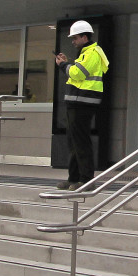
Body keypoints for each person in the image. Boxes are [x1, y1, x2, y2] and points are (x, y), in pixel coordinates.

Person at [54, 20, 109, 190]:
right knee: (74, 142)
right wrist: (67, 64)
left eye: (75, 38)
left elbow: (78, 73)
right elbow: (78, 72)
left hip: (83, 103)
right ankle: (74, 178)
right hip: (77, 103)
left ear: (85, 37)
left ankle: (86, 180)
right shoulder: (86, 52)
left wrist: (63, 64)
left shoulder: (92, 52)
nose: (73, 41)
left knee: (81, 142)